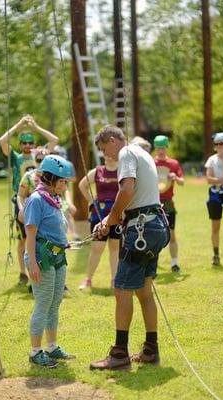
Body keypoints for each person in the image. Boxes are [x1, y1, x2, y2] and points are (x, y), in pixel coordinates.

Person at [89, 125, 169, 371]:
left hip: (142, 228)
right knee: (144, 291)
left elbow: (127, 190)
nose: (108, 156)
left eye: (105, 149)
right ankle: (150, 349)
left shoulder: (125, 153)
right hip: (156, 225)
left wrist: (109, 220)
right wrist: (116, 218)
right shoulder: (142, 153)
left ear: (113, 140)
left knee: (122, 289)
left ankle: (120, 353)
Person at [23, 154, 75, 367]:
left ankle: (51, 347)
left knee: (55, 303)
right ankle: (35, 351)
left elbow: (57, 226)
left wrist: (63, 242)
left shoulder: (54, 198)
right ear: (51, 178)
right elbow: (31, 234)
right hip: (41, 258)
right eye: (62, 181)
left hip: (58, 256)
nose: (65, 185)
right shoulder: (36, 200)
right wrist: (33, 263)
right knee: (43, 303)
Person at [0, 114, 58, 285]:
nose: (27, 146)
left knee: (44, 236)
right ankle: (22, 273)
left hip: (43, 200)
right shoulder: (16, 157)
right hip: (23, 200)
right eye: (23, 143)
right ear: (20, 145)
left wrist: (36, 127)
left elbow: (55, 140)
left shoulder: (40, 154)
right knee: (23, 238)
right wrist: (18, 125)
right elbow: (2, 141)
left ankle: (44, 267)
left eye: (30, 142)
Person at [78, 155, 120, 290]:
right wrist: (91, 200)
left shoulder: (122, 171)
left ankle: (114, 280)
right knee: (97, 247)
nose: (109, 157)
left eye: (111, 154)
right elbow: (82, 184)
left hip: (118, 214)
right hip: (99, 214)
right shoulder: (97, 171)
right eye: (106, 154)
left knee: (115, 247)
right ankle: (88, 279)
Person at [153, 135, 184, 272]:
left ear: (166, 147)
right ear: (155, 148)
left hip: (168, 203)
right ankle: (153, 263)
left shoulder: (173, 163)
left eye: (163, 147)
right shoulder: (150, 162)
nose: (161, 150)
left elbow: (182, 182)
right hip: (153, 203)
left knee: (171, 233)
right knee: (153, 234)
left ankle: (174, 263)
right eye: (158, 148)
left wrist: (175, 177)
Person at [205, 132, 223, 266]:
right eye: (217, 144)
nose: (219, 146)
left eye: (222, 143)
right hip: (215, 194)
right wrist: (222, 179)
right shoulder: (211, 160)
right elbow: (209, 179)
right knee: (215, 226)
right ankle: (216, 254)